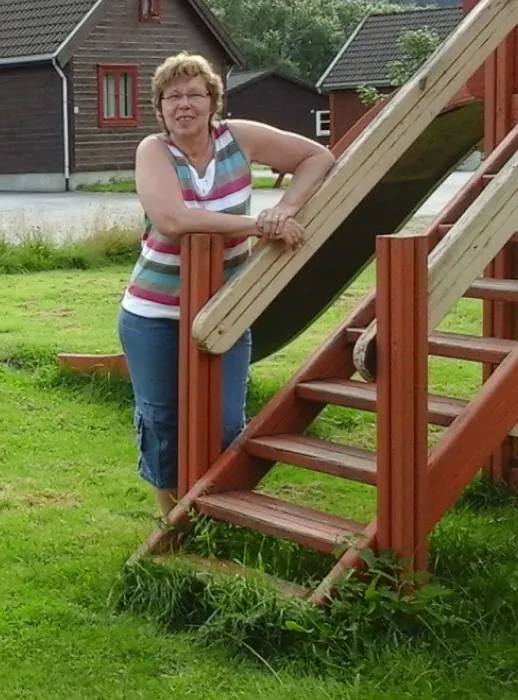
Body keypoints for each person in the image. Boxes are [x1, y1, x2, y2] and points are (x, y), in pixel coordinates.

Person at [119, 52, 336, 527]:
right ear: (160, 108)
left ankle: (214, 510)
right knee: (162, 419)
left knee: (225, 421)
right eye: (172, 96)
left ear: (213, 102)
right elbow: (173, 220)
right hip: (154, 314)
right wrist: (258, 225)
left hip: (227, 308)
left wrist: (288, 210)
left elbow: (317, 157)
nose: (184, 104)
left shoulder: (238, 138)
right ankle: (173, 520)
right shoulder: (153, 151)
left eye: (195, 94)